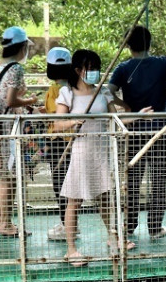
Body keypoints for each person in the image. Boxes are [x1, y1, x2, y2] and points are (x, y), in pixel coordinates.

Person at [54, 49, 152, 267]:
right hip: (81, 152)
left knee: (106, 198)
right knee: (74, 201)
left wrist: (138, 115)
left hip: (101, 151)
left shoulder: (103, 92)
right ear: (79, 70)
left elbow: (114, 120)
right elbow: (57, 124)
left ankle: (114, 238)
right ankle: (71, 250)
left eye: (97, 68)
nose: (95, 72)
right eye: (91, 68)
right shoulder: (67, 93)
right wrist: (72, 122)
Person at [108, 25, 166, 241]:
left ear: (128, 45)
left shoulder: (124, 67)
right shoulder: (163, 63)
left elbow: (107, 93)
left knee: (133, 180)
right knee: (159, 180)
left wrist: (126, 106)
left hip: (136, 132)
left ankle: (130, 227)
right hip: (158, 131)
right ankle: (154, 227)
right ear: (149, 43)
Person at [0, 26, 38, 237]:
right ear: (22, 47)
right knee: (9, 178)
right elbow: (10, 99)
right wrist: (30, 100)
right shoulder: (16, 68)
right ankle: (6, 223)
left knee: (3, 177)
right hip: (9, 127)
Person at [43, 46, 73, 241]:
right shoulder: (73, 87)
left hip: (59, 141)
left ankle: (67, 225)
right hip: (72, 140)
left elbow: (56, 115)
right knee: (68, 185)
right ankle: (68, 222)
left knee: (60, 184)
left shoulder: (55, 90)